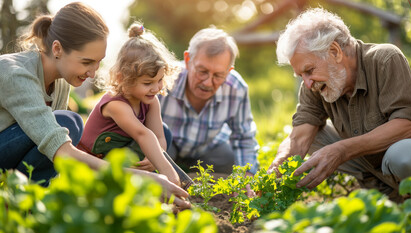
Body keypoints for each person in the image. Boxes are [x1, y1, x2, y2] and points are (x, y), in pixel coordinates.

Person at [0, 2, 189, 208]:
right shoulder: (16, 74)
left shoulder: (61, 80)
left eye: (98, 62)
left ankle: (31, 200)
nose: (93, 73)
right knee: (68, 122)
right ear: (57, 49)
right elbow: (61, 150)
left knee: (67, 125)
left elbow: (51, 154)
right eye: (87, 62)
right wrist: (140, 178)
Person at [268, 8, 411, 202]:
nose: (308, 83)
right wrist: (274, 170)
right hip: (375, 169)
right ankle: (386, 196)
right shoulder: (313, 86)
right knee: (314, 136)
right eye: (301, 75)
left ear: (335, 51)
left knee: (403, 154)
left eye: (309, 70)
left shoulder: (385, 59)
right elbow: (298, 138)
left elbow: (410, 127)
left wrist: (341, 150)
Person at [78, 23, 181, 186]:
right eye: (147, 83)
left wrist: (153, 159)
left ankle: (139, 183)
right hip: (93, 164)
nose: (155, 88)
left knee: (163, 134)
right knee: (148, 141)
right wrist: (171, 176)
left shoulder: (151, 101)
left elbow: (159, 137)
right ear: (122, 79)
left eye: (159, 80)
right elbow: (142, 134)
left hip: (120, 158)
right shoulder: (115, 104)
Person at [158, 26, 260, 178]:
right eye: (202, 71)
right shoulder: (164, 79)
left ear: (228, 72)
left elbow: (243, 138)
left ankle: (190, 172)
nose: (207, 83)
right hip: (167, 145)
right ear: (187, 60)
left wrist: (246, 176)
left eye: (218, 75)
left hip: (206, 150)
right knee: (158, 151)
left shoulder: (236, 88)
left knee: (228, 158)